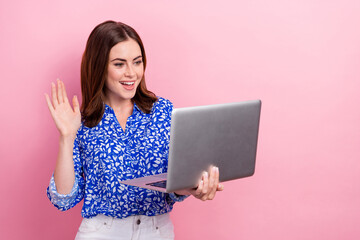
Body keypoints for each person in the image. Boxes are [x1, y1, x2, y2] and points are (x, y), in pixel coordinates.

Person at [45, 20, 224, 240]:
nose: (131, 73)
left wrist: (192, 188)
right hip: (101, 233)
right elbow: (63, 199)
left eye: (137, 62)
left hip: (157, 231)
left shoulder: (163, 112)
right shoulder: (82, 123)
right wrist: (67, 136)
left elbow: (176, 182)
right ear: (100, 66)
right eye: (119, 64)